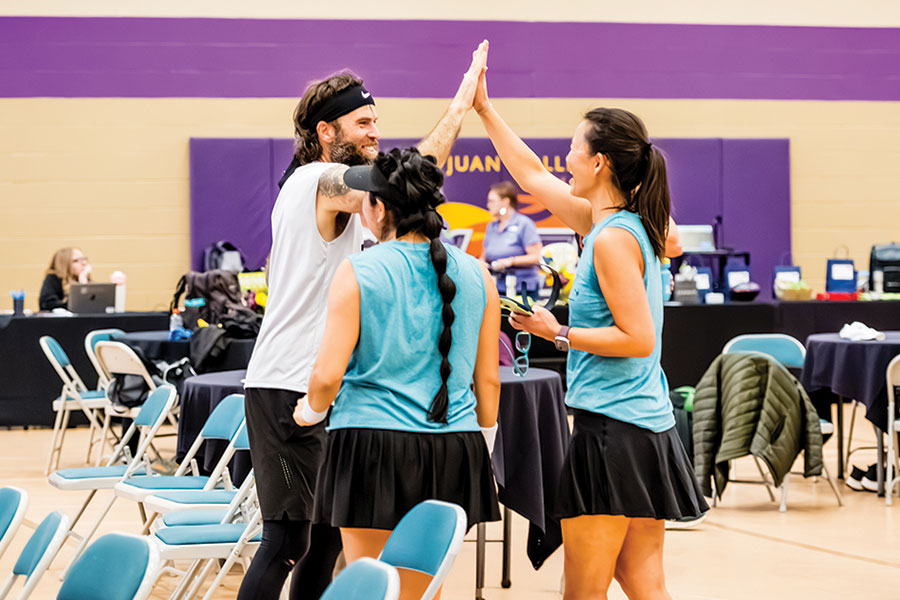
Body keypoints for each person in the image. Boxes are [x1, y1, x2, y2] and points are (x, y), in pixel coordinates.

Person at [238, 41, 489, 600]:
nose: (376, 132)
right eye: (363, 122)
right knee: (286, 541)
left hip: (332, 392)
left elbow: (407, 180)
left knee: (326, 543)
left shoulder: (358, 190)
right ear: (327, 132)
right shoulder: (315, 182)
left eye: (377, 120)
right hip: (288, 386)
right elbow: (403, 179)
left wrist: (462, 109)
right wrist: (458, 108)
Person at [474, 55, 707, 600]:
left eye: (575, 149)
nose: (567, 159)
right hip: (643, 429)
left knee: (581, 591)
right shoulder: (608, 222)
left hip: (612, 435)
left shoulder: (610, 239)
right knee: (644, 583)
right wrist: (485, 109)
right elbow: (529, 172)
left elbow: (639, 338)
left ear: (600, 162)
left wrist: (558, 331)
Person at [293, 147, 501, 600]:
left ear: (379, 208)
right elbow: (489, 382)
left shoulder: (359, 270)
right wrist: (481, 441)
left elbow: (327, 377)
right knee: (423, 591)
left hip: (373, 445)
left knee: (370, 586)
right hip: (455, 447)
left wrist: (307, 412)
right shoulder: (479, 274)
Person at [479, 180, 544, 299]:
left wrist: (510, 261)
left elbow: (537, 256)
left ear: (505, 202)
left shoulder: (524, 224)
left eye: (492, 201)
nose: (488, 205)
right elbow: (484, 257)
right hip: (497, 289)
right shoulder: (491, 227)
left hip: (523, 289)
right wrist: (481, 264)